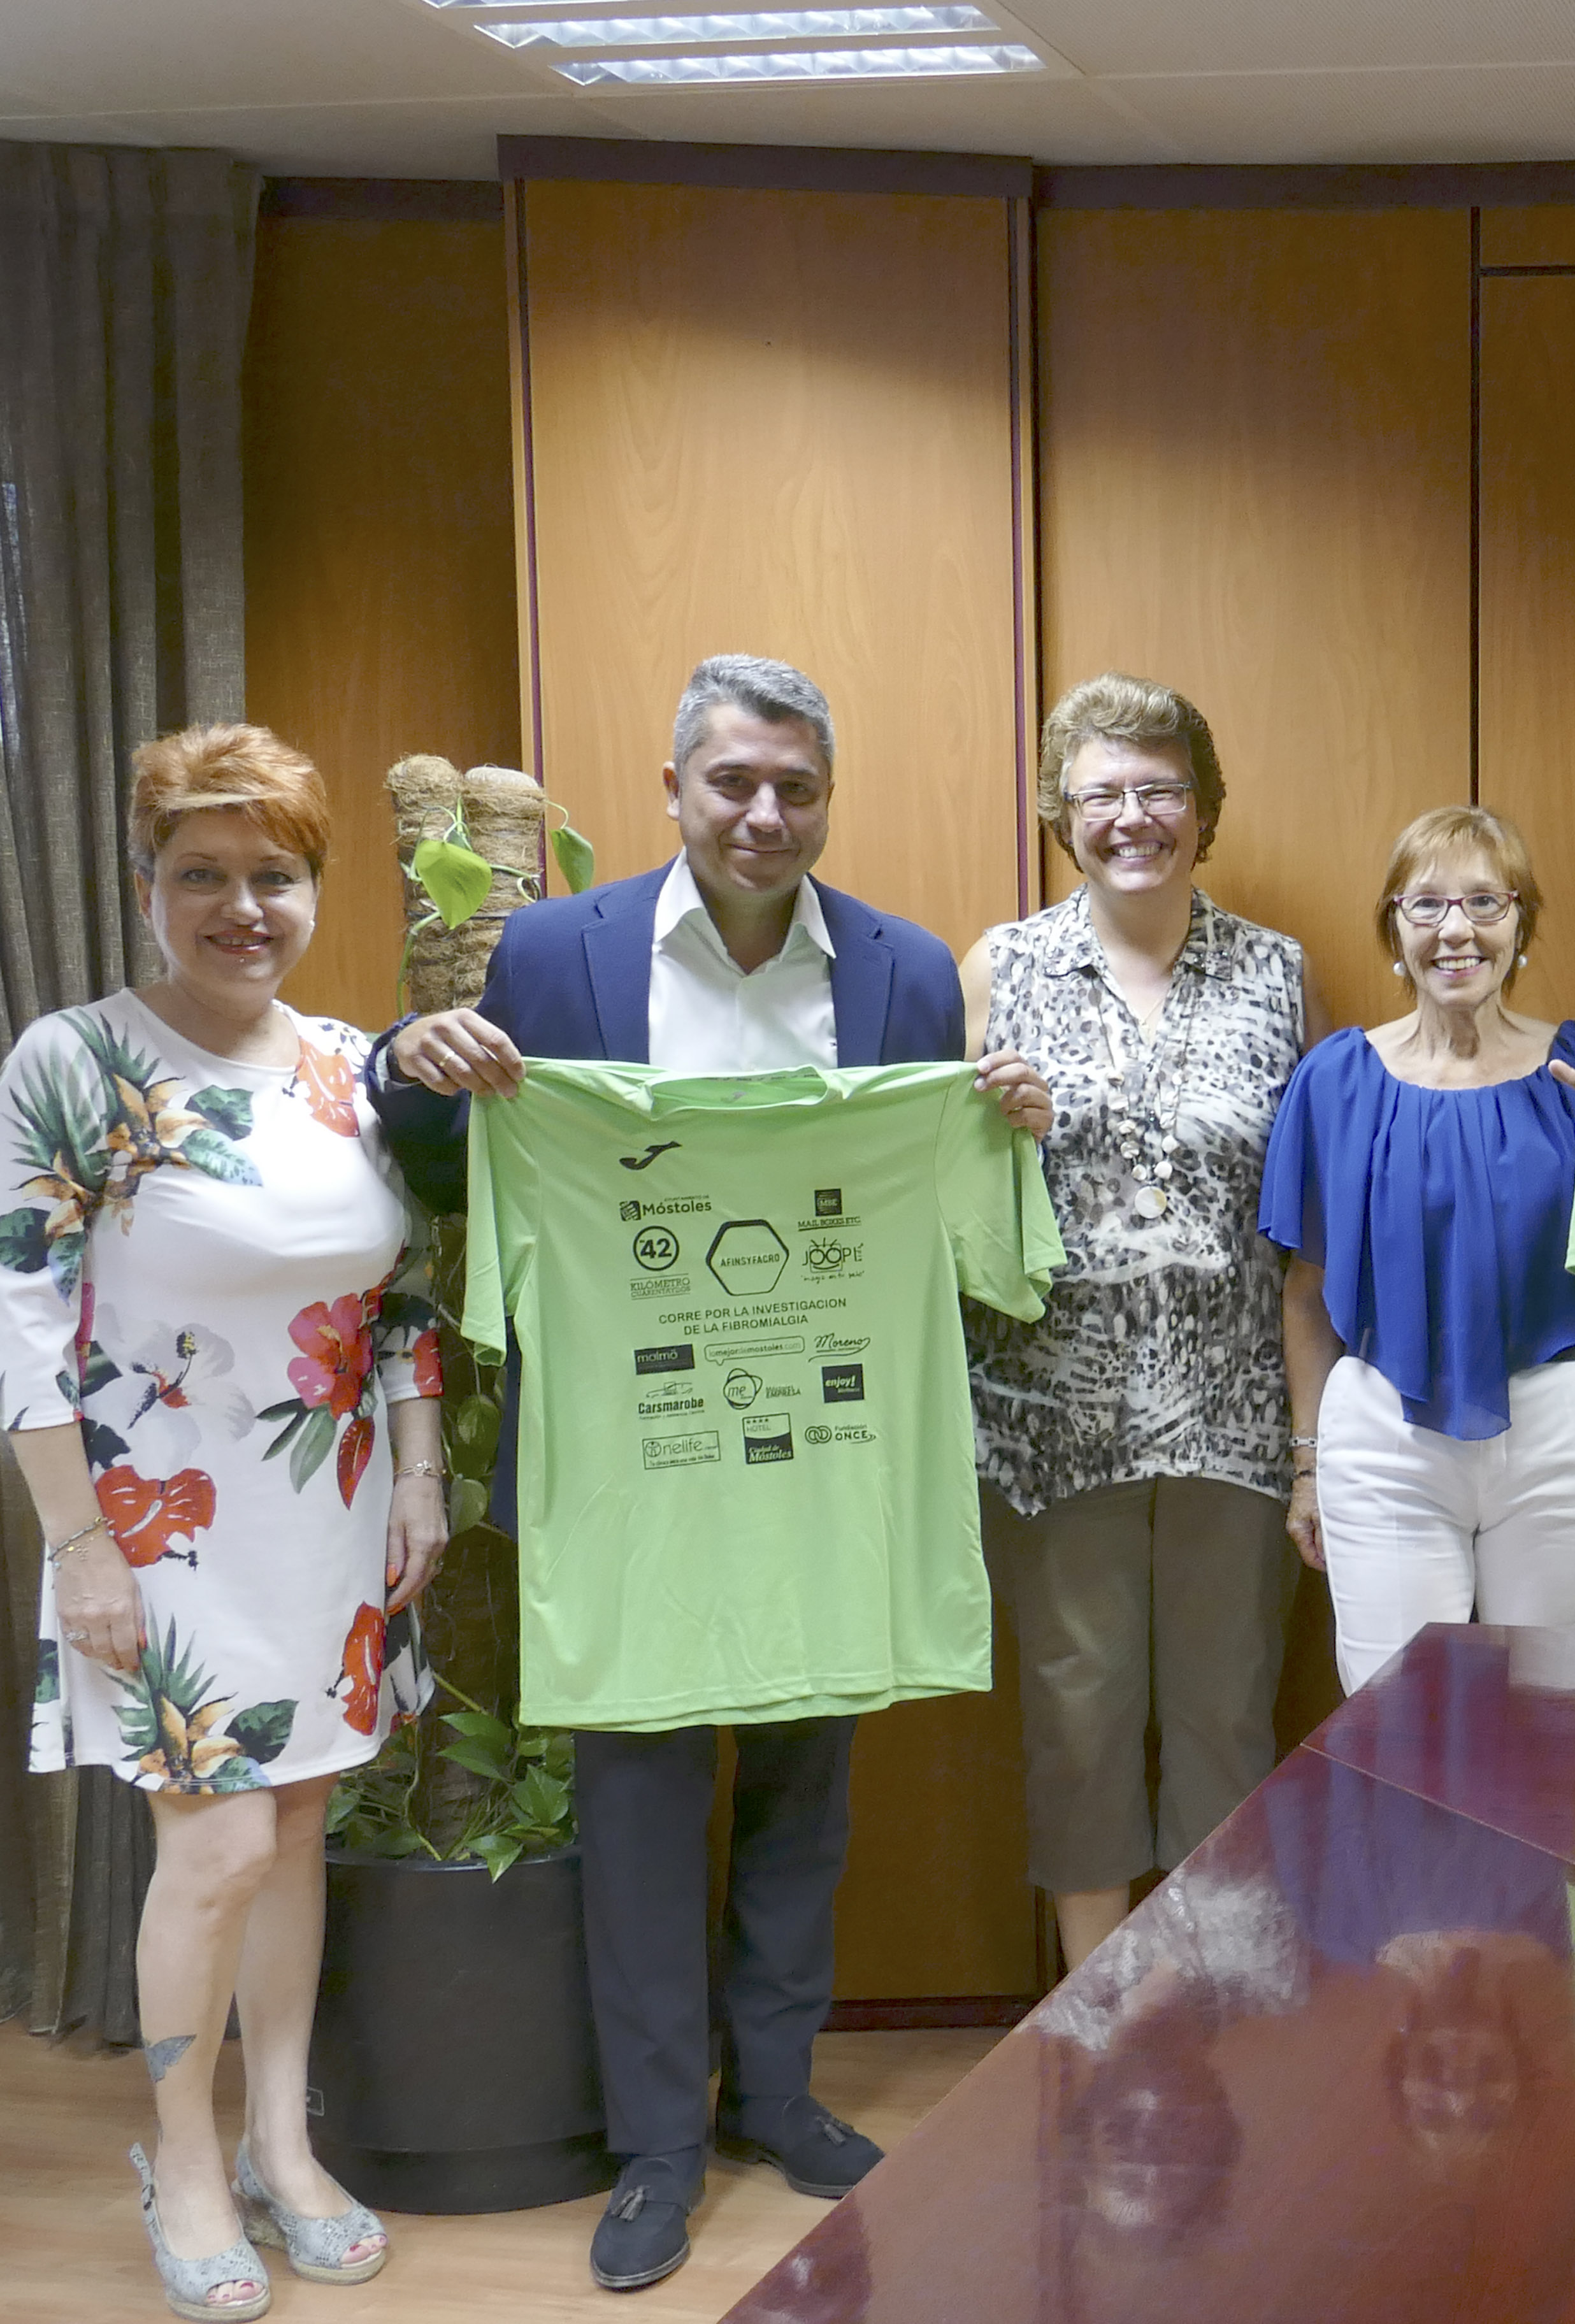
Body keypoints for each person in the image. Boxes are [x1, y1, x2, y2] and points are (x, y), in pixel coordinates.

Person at [373, 653, 1054, 2295]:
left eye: (795, 787)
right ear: (675, 787)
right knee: (637, 1804)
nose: (764, 813)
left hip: (824, 1454)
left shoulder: (902, 971)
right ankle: (656, 2147)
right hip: (635, 1460)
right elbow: (464, 1172)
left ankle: (778, 2095)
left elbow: (929, 1184)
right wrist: (414, 1062)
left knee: (808, 1795)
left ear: (828, 799)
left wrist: (1007, 1122)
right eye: (733, 781)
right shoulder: (556, 951)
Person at [5, 725, 447, 2317]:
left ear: (315, 890)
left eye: (273, 875)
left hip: (330, 1510)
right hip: (155, 1522)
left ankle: (280, 2143)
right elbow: (19, 1314)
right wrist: (77, 1545)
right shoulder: (77, 1061)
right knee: (217, 1846)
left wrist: (419, 1474)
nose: (240, 907)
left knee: (299, 1828)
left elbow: (398, 1294)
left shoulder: (350, 1066)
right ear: (146, 888)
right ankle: (183, 2161)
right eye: (201, 874)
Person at [962, 673, 1319, 1982]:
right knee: (1078, 1718)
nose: (1133, 816)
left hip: (1235, 1409)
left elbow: (1305, 1206)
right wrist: (994, 1128)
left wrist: (1309, 1442)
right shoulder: (1001, 967)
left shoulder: (1276, 970)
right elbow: (950, 1189)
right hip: (1054, 1416)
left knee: (1227, 1713)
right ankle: (1101, 2013)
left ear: (1203, 808)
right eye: (1102, 792)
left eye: (1161, 789)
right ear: (1062, 811)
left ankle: (1213, 1998)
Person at [1265, 807, 1575, 1692]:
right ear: (1395, 931)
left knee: (1559, 1713)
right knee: (1393, 1718)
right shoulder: (1336, 1081)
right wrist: (1307, 1466)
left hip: (1566, 1426)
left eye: (1485, 902)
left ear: (1521, 926)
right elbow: (1306, 1291)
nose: (1456, 929)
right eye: (1426, 905)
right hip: (1385, 1432)